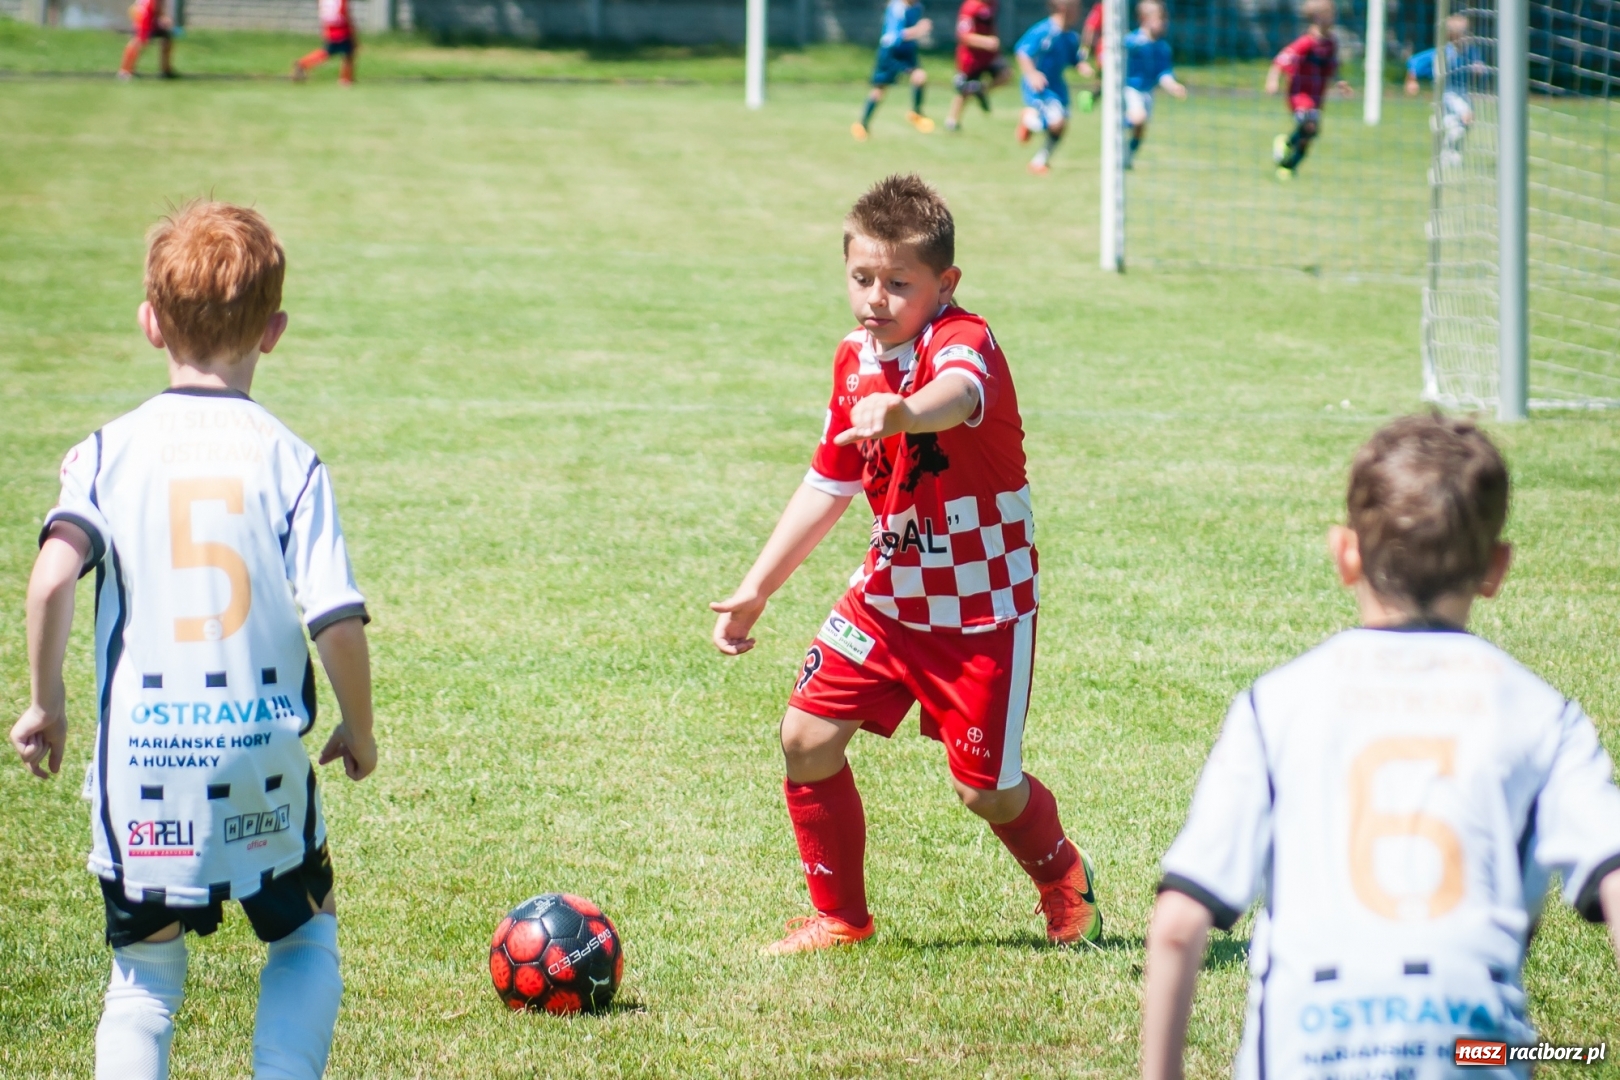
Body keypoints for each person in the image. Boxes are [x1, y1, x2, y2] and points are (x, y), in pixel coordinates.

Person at [8, 200, 378, 1080]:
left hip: (141, 761)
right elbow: (335, 613)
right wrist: (360, 729)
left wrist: (45, 702)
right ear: (275, 332)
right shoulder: (289, 458)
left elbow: (54, 576)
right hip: (260, 753)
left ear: (149, 323)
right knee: (303, 935)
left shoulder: (107, 451)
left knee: (142, 976)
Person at [1139, 414, 1620, 1080]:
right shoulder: (1545, 716)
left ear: (1346, 554)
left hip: (1305, 1056)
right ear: (1496, 568)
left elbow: (1177, 924)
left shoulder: (1276, 704)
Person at [711, 174, 1100, 955]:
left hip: (982, 606)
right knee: (805, 738)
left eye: (898, 283)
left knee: (984, 790)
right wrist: (757, 588)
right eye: (862, 279)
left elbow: (958, 395)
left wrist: (905, 412)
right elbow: (830, 481)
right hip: (888, 596)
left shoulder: (965, 340)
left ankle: (1063, 876)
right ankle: (842, 919)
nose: (875, 299)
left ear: (944, 284)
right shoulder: (852, 358)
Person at [1265, 0, 1352, 181]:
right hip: (1300, 94)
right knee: (1309, 126)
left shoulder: (1330, 43)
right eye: (1330, 14)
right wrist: (1273, 80)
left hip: (1317, 96)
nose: (1333, 17)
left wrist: (1340, 82)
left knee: (1311, 134)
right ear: (1318, 17)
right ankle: (1286, 144)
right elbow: (1281, 59)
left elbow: (1332, 67)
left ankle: (1288, 166)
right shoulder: (1306, 42)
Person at [1014, 0, 1085, 174]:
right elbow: (1022, 52)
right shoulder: (1044, 30)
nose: (1079, 11)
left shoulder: (1070, 36)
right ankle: (1029, 120)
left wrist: (1083, 66)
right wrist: (1032, 74)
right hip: (1039, 86)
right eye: (1075, 7)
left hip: (1057, 87)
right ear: (1062, 8)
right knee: (1056, 122)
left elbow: (1074, 59)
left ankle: (1040, 161)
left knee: (1061, 125)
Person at [1406, 15, 1484, 170]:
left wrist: (1478, 67)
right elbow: (1415, 62)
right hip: (1447, 93)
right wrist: (1411, 81)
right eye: (1465, 33)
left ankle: (1449, 151)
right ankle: (1447, 146)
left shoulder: (1470, 51)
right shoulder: (1443, 53)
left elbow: (1477, 63)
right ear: (1453, 36)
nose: (1469, 36)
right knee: (1466, 116)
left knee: (1460, 127)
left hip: (1463, 92)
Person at [854, 0, 936, 140]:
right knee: (879, 90)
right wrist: (918, 30)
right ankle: (862, 125)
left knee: (920, 76)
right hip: (890, 53)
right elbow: (894, 36)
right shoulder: (896, 8)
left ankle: (916, 113)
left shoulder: (917, 7)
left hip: (907, 53)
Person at [1121, 0, 1186, 169]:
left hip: (1147, 92)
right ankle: (1119, 123)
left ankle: (1128, 155)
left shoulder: (1162, 48)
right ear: (1144, 19)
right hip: (1129, 89)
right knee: (1138, 117)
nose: (1164, 23)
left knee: (1140, 128)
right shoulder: (1131, 41)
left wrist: (1173, 86)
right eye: (1160, 19)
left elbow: (1163, 73)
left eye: (1165, 19)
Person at [944, 0, 1007, 133]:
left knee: (1005, 74)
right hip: (971, 57)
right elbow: (963, 35)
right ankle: (952, 121)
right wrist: (986, 42)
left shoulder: (992, 4)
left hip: (988, 56)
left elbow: (991, 26)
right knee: (963, 91)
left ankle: (981, 90)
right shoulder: (970, 7)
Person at [292, 0, 357, 85]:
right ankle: (345, 79)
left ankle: (346, 78)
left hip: (330, 26)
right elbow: (344, 12)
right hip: (340, 27)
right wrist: (351, 28)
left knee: (335, 51)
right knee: (343, 52)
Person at [118, 0, 177, 81]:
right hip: (144, 13)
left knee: (167, 38)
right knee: (139, 41)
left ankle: (166, 70)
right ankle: (124, 71)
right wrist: (160, 17)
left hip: (149, 14)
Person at [1075, 0, 1104, 111]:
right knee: (1105, 78)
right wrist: (1086, 48)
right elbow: (1090, 28)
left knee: (1104, 82)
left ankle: (1091, 97)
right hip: (1105, 49)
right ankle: (1089, 97)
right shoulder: (1101, 8)